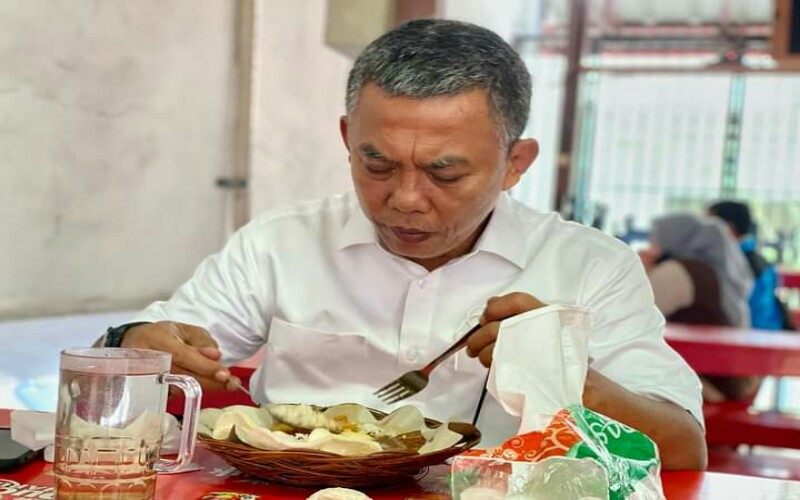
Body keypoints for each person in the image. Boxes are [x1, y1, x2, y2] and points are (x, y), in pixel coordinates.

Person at [99, 19, 705, 469]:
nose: (407, 199)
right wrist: (135, 346)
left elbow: (683, 448)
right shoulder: (280, 243)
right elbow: (128, 379)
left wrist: (567, 372)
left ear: (516, 163)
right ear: (347, 138)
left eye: (445, 173)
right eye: (377, 165)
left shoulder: (589, 266)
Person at [640, 213, 758, 402]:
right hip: (731, 379)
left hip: (705, 385)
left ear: (673, 239)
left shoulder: (678, 272)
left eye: (656, 238)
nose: (650, 246)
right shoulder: (715, 270)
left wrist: (641, 271)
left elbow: (633, 311)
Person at [708, 201, 791, 330]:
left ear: (728, 228)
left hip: (747, 335)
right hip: (772, 332)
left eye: (709, 225)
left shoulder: (730, 263)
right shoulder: (764, 263)